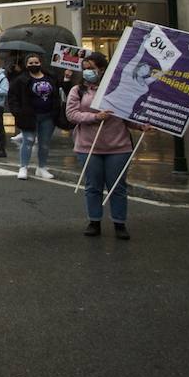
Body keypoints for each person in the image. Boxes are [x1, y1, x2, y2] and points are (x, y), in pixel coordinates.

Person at [68, 52, 147, 240]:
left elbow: (128, 116)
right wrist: (95, 117)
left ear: (102, 69)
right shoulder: (78, 91)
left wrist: (141, 125)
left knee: (117, 187)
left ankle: (120, 223)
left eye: (91, 68)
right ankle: (94, 221)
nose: (87, 72)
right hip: (89, 146)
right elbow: (72, 115)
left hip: (118, 146)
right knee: (93, 186)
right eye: (85, 69)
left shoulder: (118, 89)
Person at [8, 52, 61, 180]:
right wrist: (17, 112)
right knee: (28, 141)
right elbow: (13, 97)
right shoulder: (21, 80)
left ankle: (42, 167)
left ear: (40, 63)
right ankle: (23, 167)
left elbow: (59, 91)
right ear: (26, 65)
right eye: (31, 63)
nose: (34, 65)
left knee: (44, 143)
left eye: (36, 63)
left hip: (48, 115)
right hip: (28, 116)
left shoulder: (50, 77)